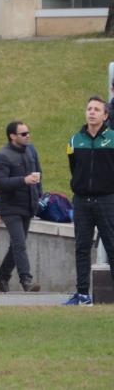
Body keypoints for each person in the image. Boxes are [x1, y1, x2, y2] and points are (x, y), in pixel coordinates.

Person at [65, 96, 114, 306]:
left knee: (112, 246)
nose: (91, 112)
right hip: (82, 201)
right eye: (89, 109)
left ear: (105, 115)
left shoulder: (112, 138)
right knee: (82, 248)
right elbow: (74, 168)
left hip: (107, 200)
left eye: (96, 109)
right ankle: (83, 294)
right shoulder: (75, 141)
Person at [0, 121, 42, 293]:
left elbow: (38, 174)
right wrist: (23, 180)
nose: (27, 135)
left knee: (16, 245)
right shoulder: (2, 156)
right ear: (12, 136)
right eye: (23, 133)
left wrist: (38, 196)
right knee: (19, 243)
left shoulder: (31, 150)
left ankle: (3, 277)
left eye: (28, 132)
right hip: (9, 207)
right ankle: (26, 280)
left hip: (27, 205)